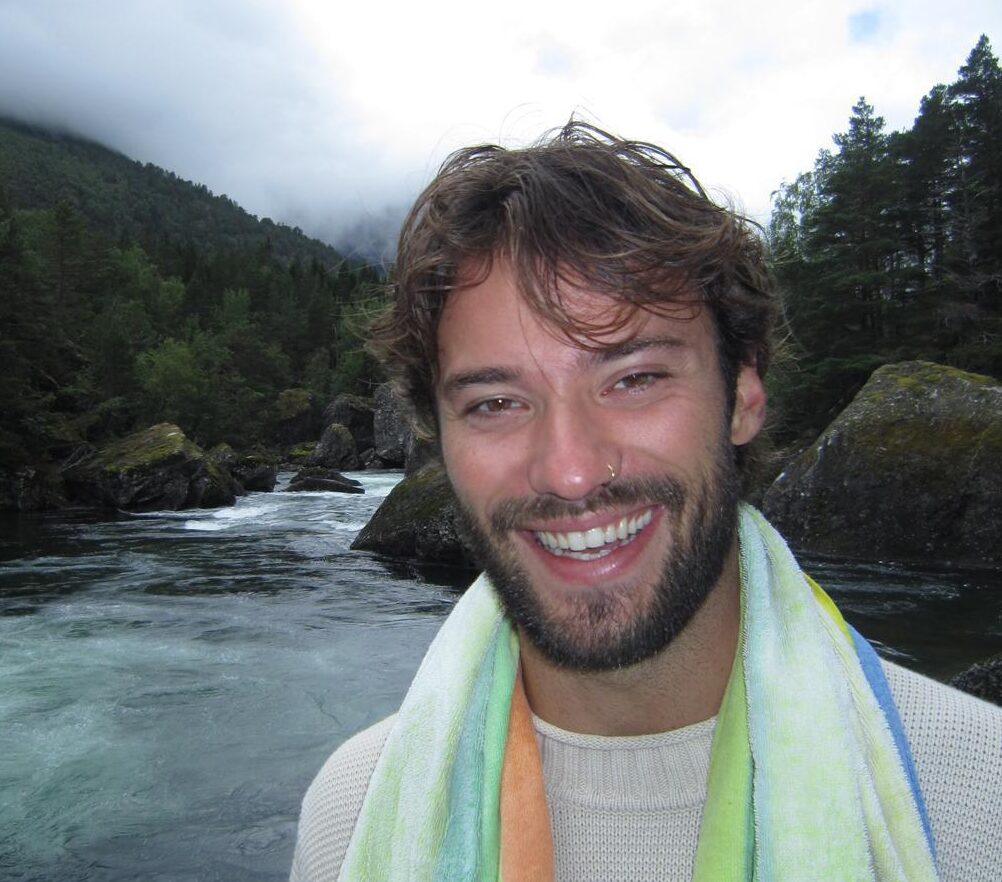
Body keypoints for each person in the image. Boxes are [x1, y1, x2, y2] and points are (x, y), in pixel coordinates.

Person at [290, 123, 1002, 882]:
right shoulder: (349, 815)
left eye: (633, 379)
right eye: (497, 402)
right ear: (439, 437)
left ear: (743, 394)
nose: (569, 471)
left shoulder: (977, 799)